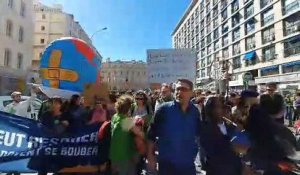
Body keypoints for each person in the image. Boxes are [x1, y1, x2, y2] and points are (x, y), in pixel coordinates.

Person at [147, 79, 201, 175]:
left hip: (187, 164)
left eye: (183, 89)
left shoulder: (195, 112)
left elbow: (197, 135)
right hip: (167, 164)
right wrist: (151, 158)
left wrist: (194, 152)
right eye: (177, 89)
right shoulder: (163, 110)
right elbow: (151, 135)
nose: (179, 92)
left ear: (191, 93)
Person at [200, 97, 242, 175]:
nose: (219, 110)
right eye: (215, 107)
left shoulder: (230, 126)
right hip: (217, 169)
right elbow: (209, 151)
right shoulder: (205, 127)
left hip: (234, 169)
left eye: (220, 106)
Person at [110, 95, 144, 175]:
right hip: (124, 155)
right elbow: (140, 134)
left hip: (114, 154)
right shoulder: (126, 121)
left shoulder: (115, 117)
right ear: (128, 108)